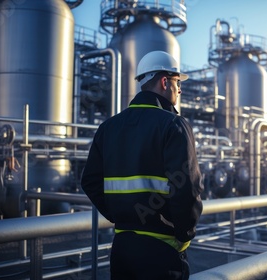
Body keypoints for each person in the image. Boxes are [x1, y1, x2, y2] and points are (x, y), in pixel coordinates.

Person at [81, 50, 203, 279]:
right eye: (177, 82)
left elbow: (89, 181)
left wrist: (121, 216)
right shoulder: (173, 125)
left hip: (122, 249)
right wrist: (184, 235)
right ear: (165, 82)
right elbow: (187, 187)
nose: (180, 89)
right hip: (162, 252)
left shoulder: (109, 127)